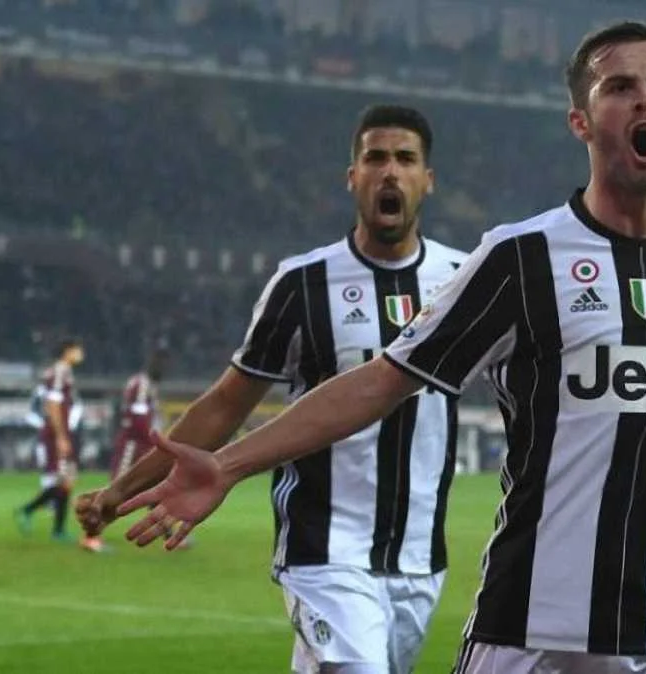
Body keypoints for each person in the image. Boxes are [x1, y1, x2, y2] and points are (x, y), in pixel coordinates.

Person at [117, 23, 646, 674]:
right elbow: (382, 380)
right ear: (582, 120)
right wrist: (229, 464)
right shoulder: (519, 259)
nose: (644, 100)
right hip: (534, 625)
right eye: (619, 87)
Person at [76, 105, 467, 673]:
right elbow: (227, 403)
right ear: (352, 176)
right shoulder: (302, 283)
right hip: (323, 549)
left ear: (427, 180)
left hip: (419, 558)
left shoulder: (462, 281)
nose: (390, 171)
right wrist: (120, 491)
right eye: (375, 158)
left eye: (405, 159)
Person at [80, 348, 171, 553]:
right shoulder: (142, 385)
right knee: (116, 490)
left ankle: (168, 535)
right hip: (133, 445)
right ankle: (90, 536)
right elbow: (139, 420)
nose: (165, 370)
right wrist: (154, 439)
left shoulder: (146, 384)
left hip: (143, 444)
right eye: (163, 366)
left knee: (154, 485)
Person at [16, 337, 84, 543]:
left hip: (60, 431)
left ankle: (55, 527)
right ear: (68, 351)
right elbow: (52, 405)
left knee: (67, 480)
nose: (81, 354)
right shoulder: (60, 371)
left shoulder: (63, 371)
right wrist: (61, 436)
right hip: (56, 433)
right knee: (64, 480)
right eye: (78, 350)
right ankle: (30, 512)